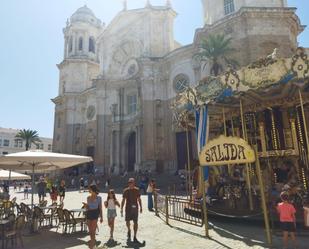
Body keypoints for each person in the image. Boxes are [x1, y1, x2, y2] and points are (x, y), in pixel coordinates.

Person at [121, 178, 142, 243]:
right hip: (128, 209)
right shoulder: (125, 190)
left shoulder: (137, 190)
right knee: (127, 222)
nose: (130, 184)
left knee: (135, 222)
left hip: (135, 209)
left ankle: (135, 236)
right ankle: (129, 230)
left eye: (131, 182)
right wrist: (121, 208)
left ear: (134, 183)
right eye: (129, 182)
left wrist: (141, 207)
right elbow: (123, 200)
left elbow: (139, 199)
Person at [83, 185, 103, 249]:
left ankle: (93, 245)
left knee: (93, 231)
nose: (89, 190)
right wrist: (86, 206)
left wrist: (101, 217)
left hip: (95, 214)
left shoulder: (99, 198)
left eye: (89, 189)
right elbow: (88, 208)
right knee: (90, 231)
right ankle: (92, 243)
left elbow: (100, 208)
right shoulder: (88, 197)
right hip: (89, 213)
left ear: (93, 190)